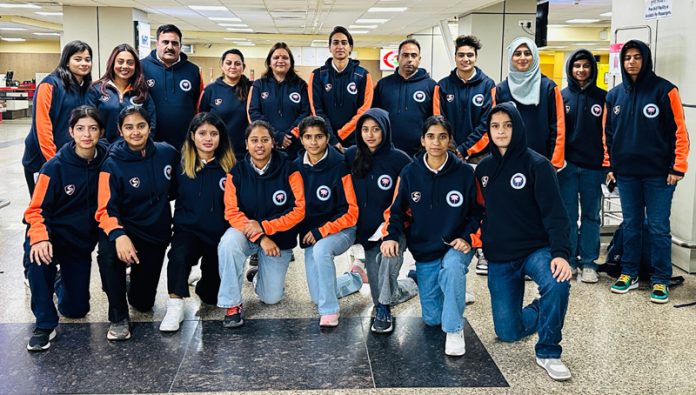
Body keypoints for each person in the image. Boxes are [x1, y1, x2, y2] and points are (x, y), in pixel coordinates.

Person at [475, 102, 572, 381]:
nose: (501, 131)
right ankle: (544, 308)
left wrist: (561, 254)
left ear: (517, 127)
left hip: (535, 250)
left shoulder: (538, 165)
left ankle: (549, 351)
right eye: (495, 126)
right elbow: (478, 210)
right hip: (501, 257)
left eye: (507, 125)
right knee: (508, 332)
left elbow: (556, 214)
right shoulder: (483, 169)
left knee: (557, 282)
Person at [381, 115, 481, 356]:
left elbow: (478, 212)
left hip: (457, 244)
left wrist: (467, 237)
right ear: (423, 140)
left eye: (442, 137)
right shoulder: (409, 173)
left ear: (449, 141)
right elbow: (396, 211)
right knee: (432, 319)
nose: (436, 142)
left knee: (453, 269)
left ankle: (454, 329)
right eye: (431, 136)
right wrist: (391, 236)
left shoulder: (465, 173)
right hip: (425, 250)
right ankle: (452, 293)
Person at [605, 39, 689, 303]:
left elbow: (680, 131)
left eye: (637, 57)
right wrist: (610, 166)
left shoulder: (665, 90)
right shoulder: (614, 95)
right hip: (626, 174)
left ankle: (661, 278)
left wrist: (678, 166)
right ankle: (628, 272)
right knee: (630, 225)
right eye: (627, 57)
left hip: (659, 175)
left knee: (658, 227)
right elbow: (608, 135)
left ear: (646, 59)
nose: (631, 62)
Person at [23, 106, 108, 351]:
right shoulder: (54, 167)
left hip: (78, 244)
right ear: (71, 131)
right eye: (80, 128)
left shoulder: (107, 160)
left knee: (76, 310)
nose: (87, 134)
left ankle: (60, 281)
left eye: (93, 128)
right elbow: (35, 209)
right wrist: (39, 238)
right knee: (38, 262)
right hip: (48, 236)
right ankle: (44, 324)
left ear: (101, 132)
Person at [95, 106, 178, 341]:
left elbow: (175, 189)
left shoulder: (167, 153)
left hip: (154, 233)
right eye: (129, 127)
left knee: (143, 304)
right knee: (109, 252)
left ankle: (128, 284)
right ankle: (118, 314)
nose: (135, 132)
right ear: (120, 130)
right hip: (123, 229)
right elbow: (105, 209)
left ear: (149, 127)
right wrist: (119, 234)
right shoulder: (111, 164)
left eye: (140, 126)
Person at [216, 120, 305, 328]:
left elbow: (299, 211)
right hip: (247, 234)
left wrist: (266, 227)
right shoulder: (236, 173)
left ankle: (259, 277)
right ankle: (232, 304)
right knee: (228, 243)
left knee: (271, 298)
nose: (259, 145)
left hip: (279, 239)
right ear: (246, 144)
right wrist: (261, 236)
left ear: (273, 143)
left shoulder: (289, 170)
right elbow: (232, 212)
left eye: (265, 140)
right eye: (254, 140)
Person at [159, 112, 236, 332]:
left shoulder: (230, 167)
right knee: (178, 256)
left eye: (213, 133)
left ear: (221, 137)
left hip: (217, 235)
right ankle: (175, 304)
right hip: (188, 231)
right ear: (193, 136)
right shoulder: (180, 165)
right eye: (202, 133)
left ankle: (201, 280)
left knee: (210, 297)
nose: (208, 138)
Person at [345, 108, 418, 333]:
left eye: (376, 129)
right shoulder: (351, 155)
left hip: (394, 230)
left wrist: (392, 231)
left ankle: (384, 310)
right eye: (365, 129)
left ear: (385, 130)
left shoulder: (400, 160)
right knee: (385, 290)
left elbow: (409, 201)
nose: (370, 135)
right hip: (367, 234)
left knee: (382, 296)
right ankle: (413, 283)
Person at [434, 34, 495, 276]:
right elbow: (439, 121)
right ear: (455, 57)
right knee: (455, 203)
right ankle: (451, 246)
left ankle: (483, 249)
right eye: (461, 55)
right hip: (450, 156)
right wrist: (452, 148)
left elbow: (488, 124)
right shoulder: (443, 85)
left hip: (479, 156)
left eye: (470, 55)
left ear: (476, 57)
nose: (465, 59)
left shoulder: (488, 85)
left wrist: (465, 148)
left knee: (483, 204)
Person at [295, 116, 361, 327]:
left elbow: (352, 211)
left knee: (321, 250)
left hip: (342, 228)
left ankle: (330, 311)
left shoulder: (340, 164)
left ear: (327, 138)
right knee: (317, 295)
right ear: (301, 140)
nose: (313, 142)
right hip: (312, 236)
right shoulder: (295, 167)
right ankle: (355, 278)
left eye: (319, 137)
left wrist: (322, 231)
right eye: (308, 137)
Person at [558, 49, 607, 283]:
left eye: (586, 66)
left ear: (592, 69)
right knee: (567, 215)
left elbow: (610, 134)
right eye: (577, 66)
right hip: (567, 167)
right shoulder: (561, 97)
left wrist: (608, 166)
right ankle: (570, 260)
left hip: (593, 167)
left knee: (591, 215)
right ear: (570, 69)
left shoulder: (604, 98)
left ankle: (588, 262)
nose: (581, 70)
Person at [22, 40, 93, 195]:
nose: (84, 63)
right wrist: (54, 162)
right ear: (67, 61)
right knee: (44, 211)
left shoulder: (87, 88)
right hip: (43, 162)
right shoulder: (50, 85)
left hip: (72, 160)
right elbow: (42, 127)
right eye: (78, 59)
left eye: (87, 60)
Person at [493, 37, 565, 169]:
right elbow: (493, 128)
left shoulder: (548, 87)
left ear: (535, 57)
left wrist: (554, 163)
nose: (522, 58)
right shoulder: (501, 89)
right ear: (511, 57)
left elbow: (558, 127)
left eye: (527, 53)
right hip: (508, 161)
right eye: (517, 53)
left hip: (542, 161)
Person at [308, 26, 373, 148]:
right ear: (330, 47)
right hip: (326, 140)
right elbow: (317, 110)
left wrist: (342, 134)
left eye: (344, 43)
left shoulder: (363, 75)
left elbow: (364, 110)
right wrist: (331, 138)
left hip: (355, 141)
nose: (340, 46)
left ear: (350, 47)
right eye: (335, 42)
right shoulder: (317, 75)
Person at [141, 24, 203, 150]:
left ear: (180, 46)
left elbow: (198, 104)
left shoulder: (193, 70)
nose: (170, 47)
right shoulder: (141, 68)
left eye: (175, 43)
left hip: (185, 143)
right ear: (157, 43)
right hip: (150, 141)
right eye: (165, 42)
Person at [373, 39, 436, 156]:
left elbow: (435, 119)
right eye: (405, 55)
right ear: (398, 58)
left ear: (419, 59)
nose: (410, 59)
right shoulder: (383, 84)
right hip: (387, 151)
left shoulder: (431, 86)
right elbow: (375, 118)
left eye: (414, 55)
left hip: (420, 153)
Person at [248, 42, 310, 160]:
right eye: (276, 57)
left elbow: (305, 113)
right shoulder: (259, 85)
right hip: (267, 143)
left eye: (285, 58)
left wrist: (290, 135)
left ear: (290, 62)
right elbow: (254, 112)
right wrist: (275, 135)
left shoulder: (300, 85)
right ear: (269, 63)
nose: (280, 60)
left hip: (294, 144)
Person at [87, 43, 157, 144]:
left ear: (136, 66)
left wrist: (140, 148)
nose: (125, 66)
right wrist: (102, 149)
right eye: (120, 62)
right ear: (112, 63)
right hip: (104, 153)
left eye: (130, 62)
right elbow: (89, 123)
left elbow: (151, 125)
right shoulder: (96, 89)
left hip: (134, 152)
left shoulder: (141, 92)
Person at [198, 49, 252, 159]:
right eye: (228, 63)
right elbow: (201, 122)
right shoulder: (210, 90)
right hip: (218, 152)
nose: (233, 66)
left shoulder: (252, 88)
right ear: (222, 65)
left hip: (245, 152)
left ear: (243, 67)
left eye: (237, 64)